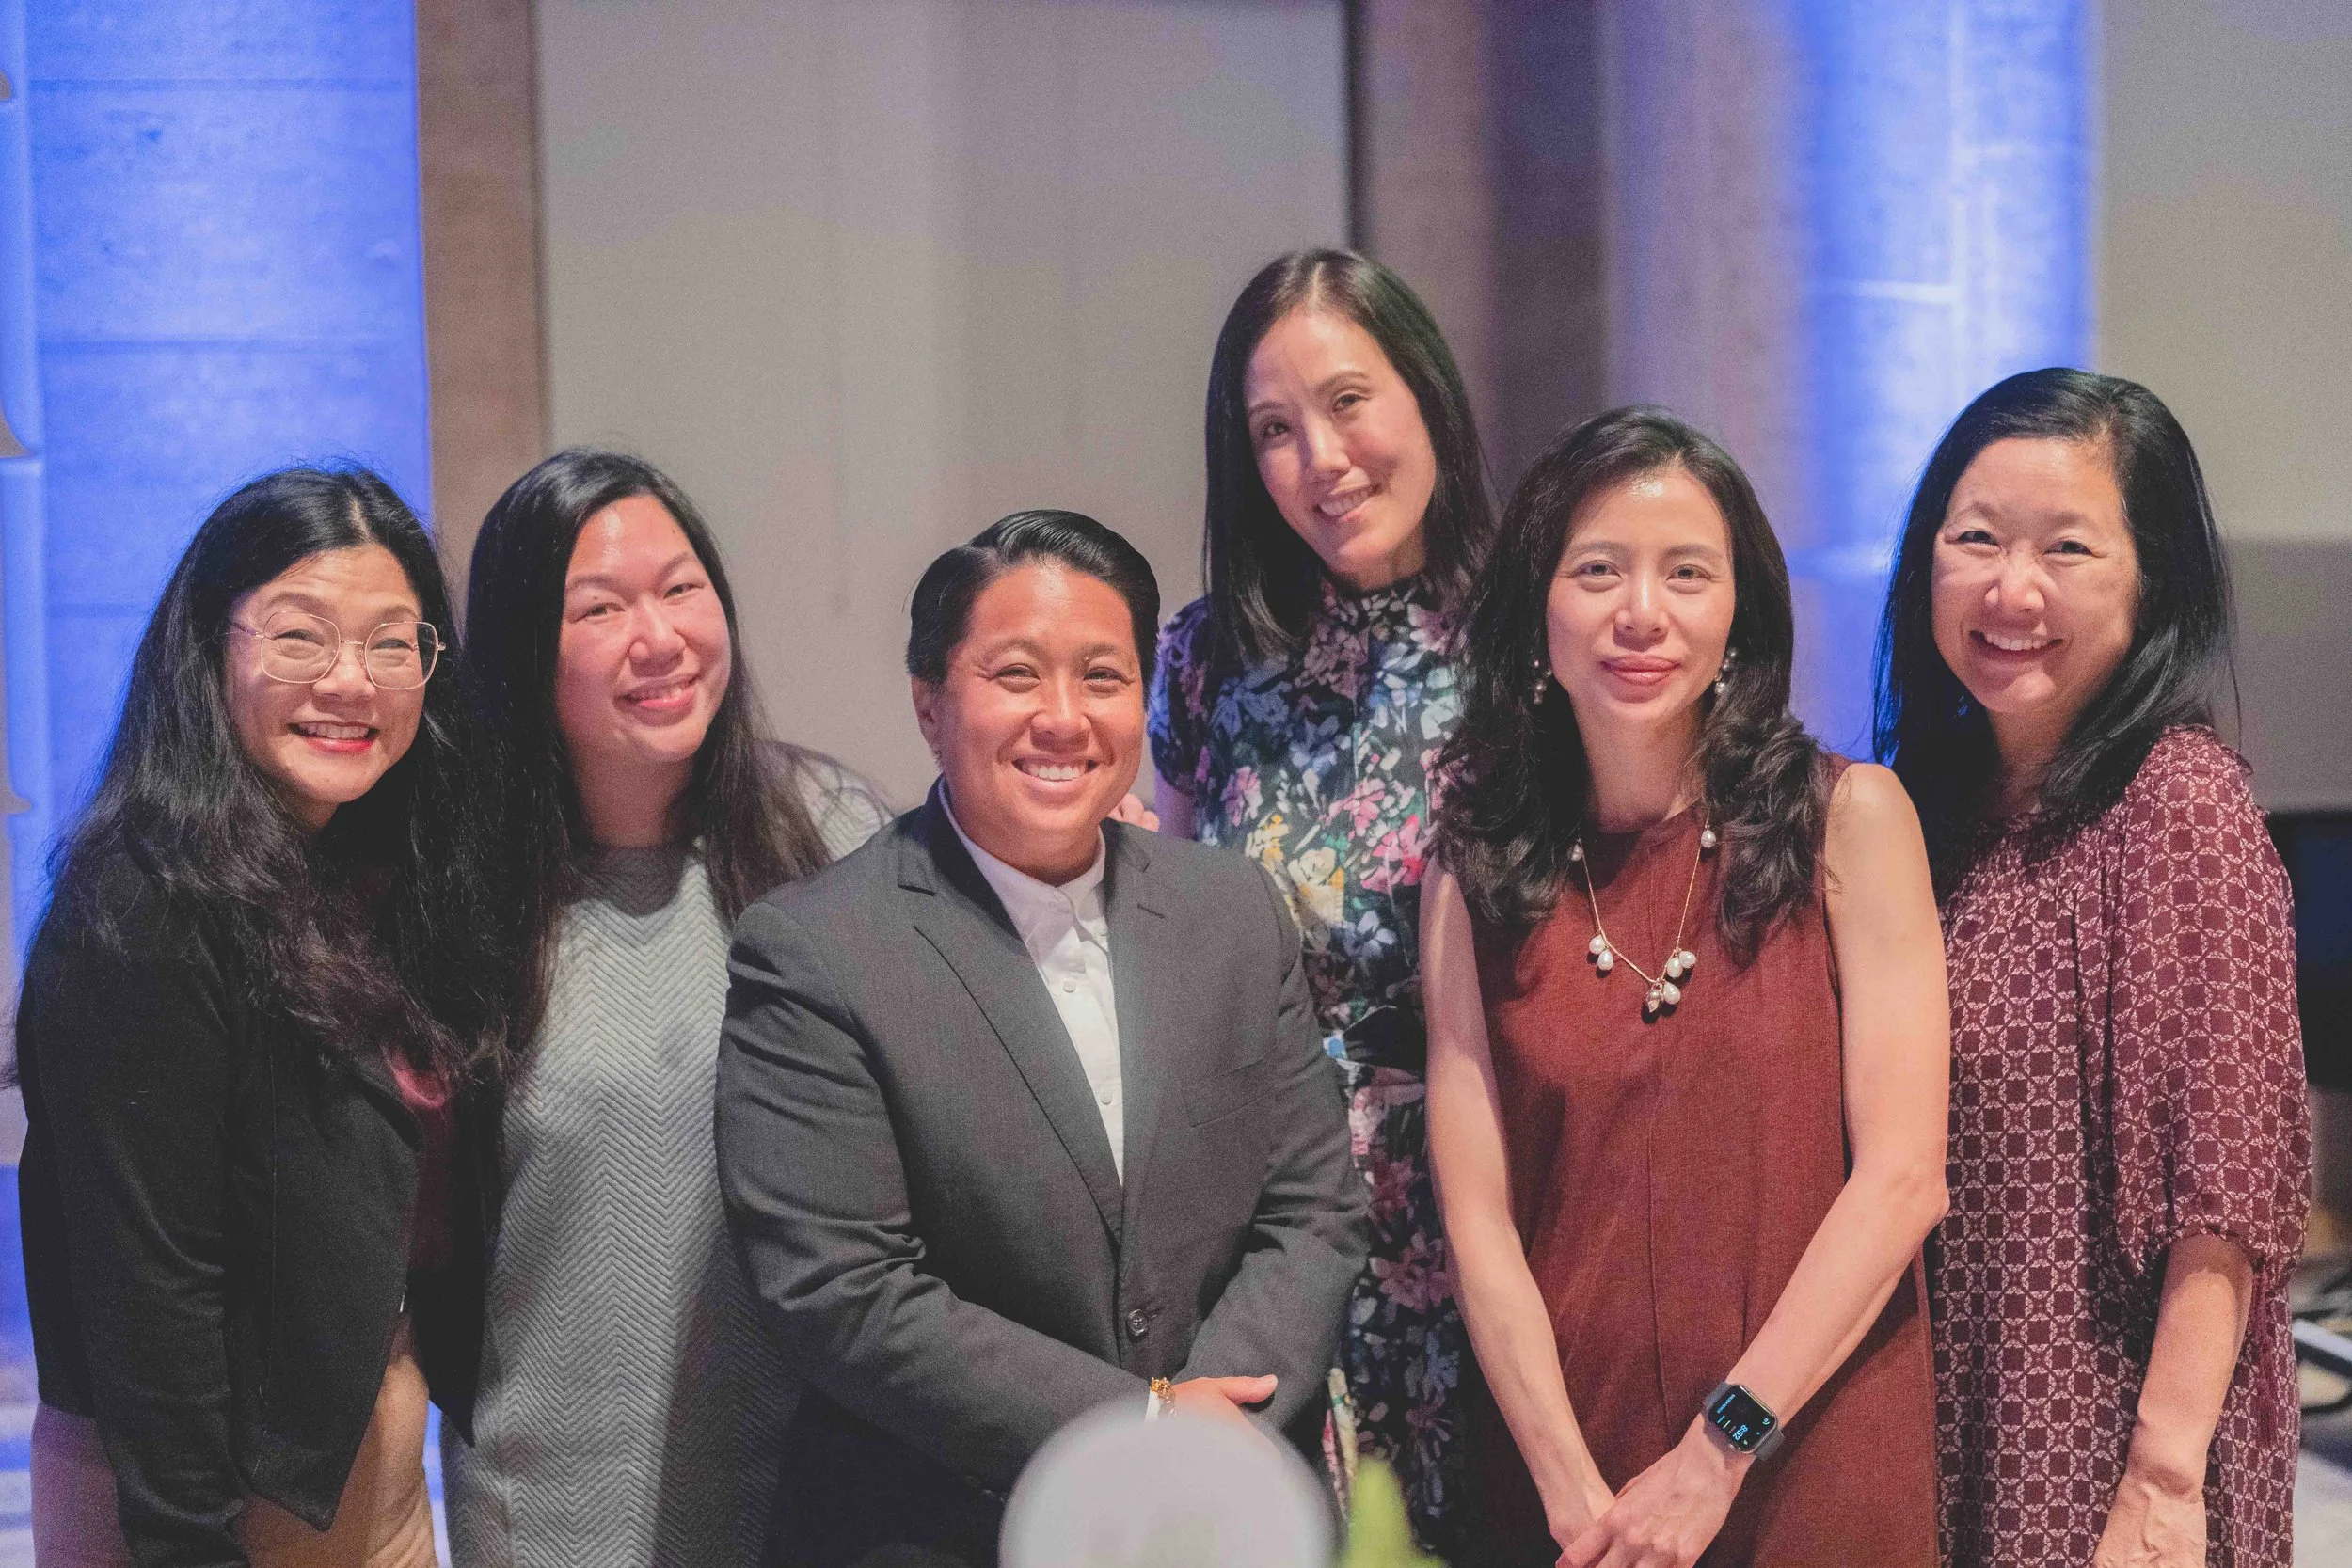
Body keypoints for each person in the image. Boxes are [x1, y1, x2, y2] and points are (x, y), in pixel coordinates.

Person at [716, 509, 1372, 1567]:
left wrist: (1215, 1434)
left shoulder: (1233, 910)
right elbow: (844, 1289)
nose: (1063, 717)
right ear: (931, 704)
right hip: (955, 1523)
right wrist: (1145, 1425)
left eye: (1103, 677)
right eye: (1016, 675)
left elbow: (1313, 1209)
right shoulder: (816, 950)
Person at [1424, 409, 1950, 1567]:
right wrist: (1571, 1489)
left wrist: (1719, 1448)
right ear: (1537, 617)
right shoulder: (1475, 870)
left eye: (1686, 573)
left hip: (1804, 1456)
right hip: (1569, 1482)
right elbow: (1480, 1221)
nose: (1641, 613)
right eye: (1598, 569)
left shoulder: (1849, 820)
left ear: (1738, 618)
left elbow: (1904, 1179)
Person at [13, 467, 506, 1567]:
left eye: (393, 643)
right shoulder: (141, 910)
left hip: (369, 1480)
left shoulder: (374, 876)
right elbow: (155, 1299)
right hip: (199, 1507)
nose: (350, 681)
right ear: (209, 647)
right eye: (299, 636)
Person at [1875, 369, 2311, 1568]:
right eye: (1975, 540)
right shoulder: (1933, 807)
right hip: (1950, 1405)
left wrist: (2165, 1479)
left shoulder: (2177, 801)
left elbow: (2223, 1188)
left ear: (2150, 583)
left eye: (2067, 548)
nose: (2012, 589)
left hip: (2105, 1451)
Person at [442, 451, 891, 1567]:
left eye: (682, 587)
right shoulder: (462, 897)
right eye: (599, 606)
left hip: (825, 1494)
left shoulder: (828, 832)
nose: (660, 637)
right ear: (521, 647)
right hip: (560, 1507)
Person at [1147, 248, 1493, 1549]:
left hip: (1487, 1210)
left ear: (1427, 398)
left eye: (1350, 402)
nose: (1322, 459)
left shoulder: (1535, 647)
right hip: (1269, 1223)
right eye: (1274, 432)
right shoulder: (1209, 660)